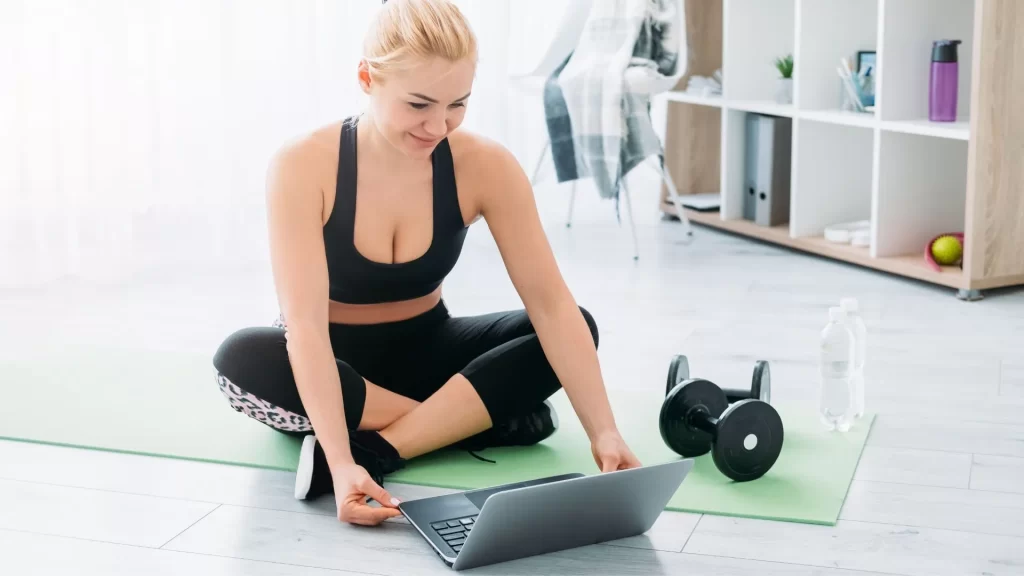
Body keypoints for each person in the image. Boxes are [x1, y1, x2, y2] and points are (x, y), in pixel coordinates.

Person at [212, 0, 641, 528]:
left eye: (458, 104)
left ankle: (385, 448)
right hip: (334, 366)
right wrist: (339, 463)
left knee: (575, 327)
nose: (439, 125)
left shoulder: (486, 166)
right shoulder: (303, 165)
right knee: (241, 359)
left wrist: (605, 432)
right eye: (419, 104)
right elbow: (304, 328)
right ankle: (472, 420)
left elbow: (550, 305)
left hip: (431, 350)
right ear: (368, 79)